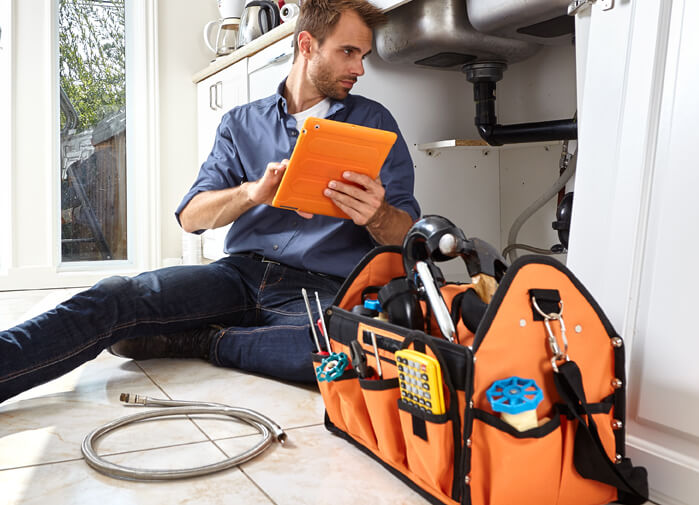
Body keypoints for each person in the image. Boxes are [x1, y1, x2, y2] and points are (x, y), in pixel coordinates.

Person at [0, 0, 419, 404]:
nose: (359, 68)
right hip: (238, 275)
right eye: (348, 52)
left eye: (362, 55)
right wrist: (251, 193)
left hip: (321, 289)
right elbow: (190, 218)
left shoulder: (374, 122)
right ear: (307, 45)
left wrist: (378, 215)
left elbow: (406, 238)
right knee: (114, 296)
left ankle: (202, 339)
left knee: (351, 344)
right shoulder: (241, 123)